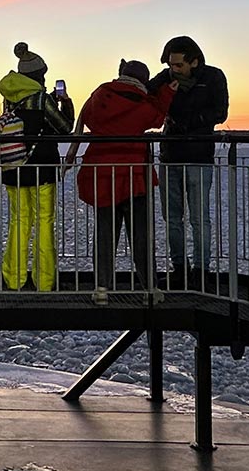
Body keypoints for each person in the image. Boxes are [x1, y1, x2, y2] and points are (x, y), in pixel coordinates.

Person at [65, 60, 175, 304]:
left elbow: (89, 122)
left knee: (105, 234)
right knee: (140, 236)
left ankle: (101, 288)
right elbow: (156, 119)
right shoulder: (142, 102)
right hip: (134, 176)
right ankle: (149, 289)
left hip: (102, 174)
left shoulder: (99, 95)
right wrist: (167, 92)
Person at [148, 35, 229, 287]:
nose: (173, 70)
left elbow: (221, 112)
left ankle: (201, 272)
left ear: (194, 62)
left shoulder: (214, 77)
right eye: (170, 65)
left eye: (178, 65)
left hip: (198, 157)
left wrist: (190, 122)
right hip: (170, 156)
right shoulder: (166, 78)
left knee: (199, 219)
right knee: (172, 218)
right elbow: (145, 93)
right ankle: (180, 269)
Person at [0, 42, 73, 291]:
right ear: (39, 74)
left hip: (14, 169)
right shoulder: (41, 99)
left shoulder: (9, 98)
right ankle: (44, 280)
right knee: (43, 222)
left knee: (18, 221)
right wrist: (65, 102)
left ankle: (14, 278)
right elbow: (64, 128)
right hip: (42, 170)